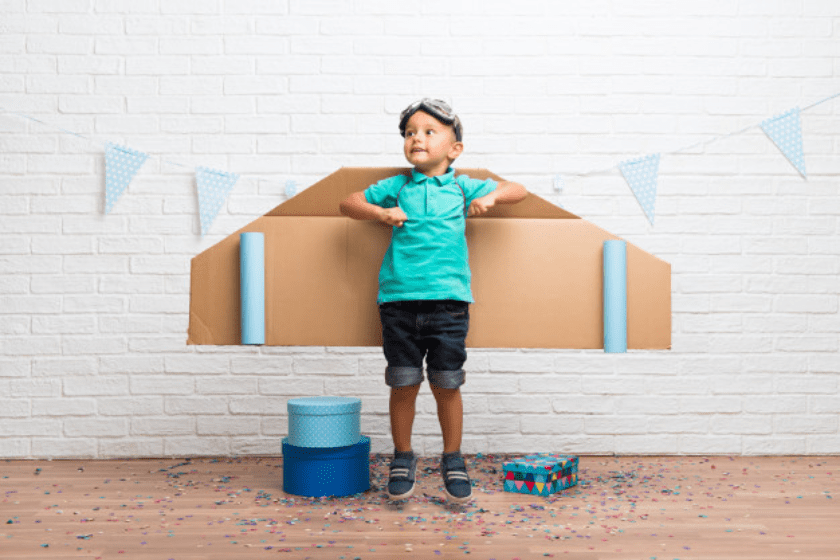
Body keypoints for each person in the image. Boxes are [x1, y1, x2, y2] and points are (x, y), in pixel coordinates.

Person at [339, 99, 527, 502]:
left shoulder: (461, 185)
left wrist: (492, 198)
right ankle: (403, 456)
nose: (416, 138)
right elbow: (348, 203)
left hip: (449, 304)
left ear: (454, 149)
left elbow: (518, 190)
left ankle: (452, 457)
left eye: (428, 132)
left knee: (447, 384)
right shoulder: (397, 186)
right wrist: (380, 213)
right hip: (398, 302)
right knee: (403, 383)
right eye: (410, 133)